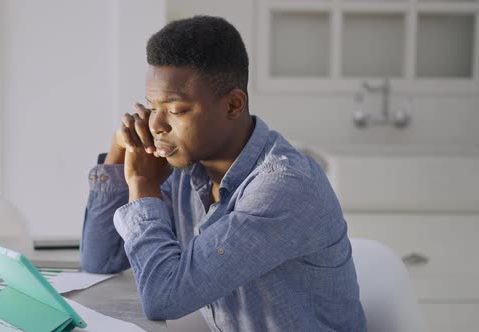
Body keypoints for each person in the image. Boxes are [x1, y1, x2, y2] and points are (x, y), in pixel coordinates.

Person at [81, 15, 366, 331]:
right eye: (152, 106)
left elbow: (163, 298)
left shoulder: (283, 187)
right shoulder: (185, 167)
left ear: (233, 105)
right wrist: (118, 154)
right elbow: (99, 261)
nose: (156, 126)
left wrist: (141, 184)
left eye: (175, 110)